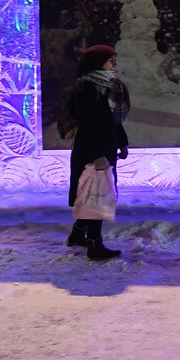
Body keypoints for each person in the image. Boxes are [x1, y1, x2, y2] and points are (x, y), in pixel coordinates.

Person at [66, 44, 130, 261]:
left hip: (106, 146)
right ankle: (95, 245)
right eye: (110, 59)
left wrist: (122, 142)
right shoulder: (88, 89)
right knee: (96, 197)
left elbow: (112, 120)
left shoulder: (107, 86)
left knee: (94, 194)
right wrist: (97, 155)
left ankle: (77, 234)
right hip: (93, 151)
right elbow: (88, 125)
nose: (114, 63)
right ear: (97, 62)